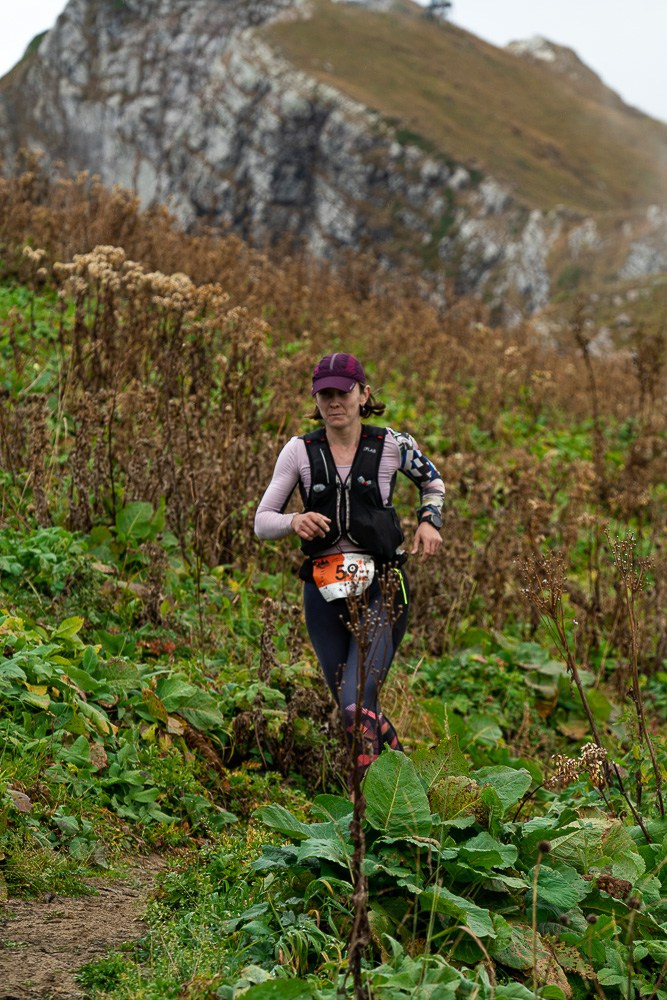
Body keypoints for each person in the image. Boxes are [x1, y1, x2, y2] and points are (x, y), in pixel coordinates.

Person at [255, 352, 444, 785]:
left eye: (343, 392)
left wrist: (429, 522)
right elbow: (262, 521)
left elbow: (432, 482)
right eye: (325, 394)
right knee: (352, 710)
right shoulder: (299, 451)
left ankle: (371, 811)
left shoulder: (394, 445)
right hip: (323, 590)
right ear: (316, 400)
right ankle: (405, 784)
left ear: (364, 394)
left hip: (383, 587)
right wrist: (294, 520)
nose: (334, 401)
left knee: (357, 701)